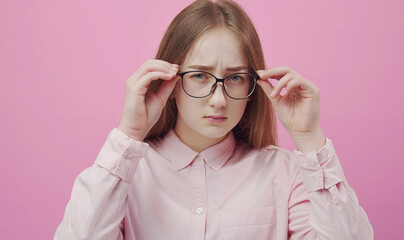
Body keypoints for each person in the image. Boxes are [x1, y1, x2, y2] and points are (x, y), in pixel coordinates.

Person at [54, 0, 373, 239]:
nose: (218, 99)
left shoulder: (284, 173)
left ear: (253, 84)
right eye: (199, 76)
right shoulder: (128, 174)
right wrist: (129, 134)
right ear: (170, 79)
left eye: (234, 78)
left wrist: (309, 139)